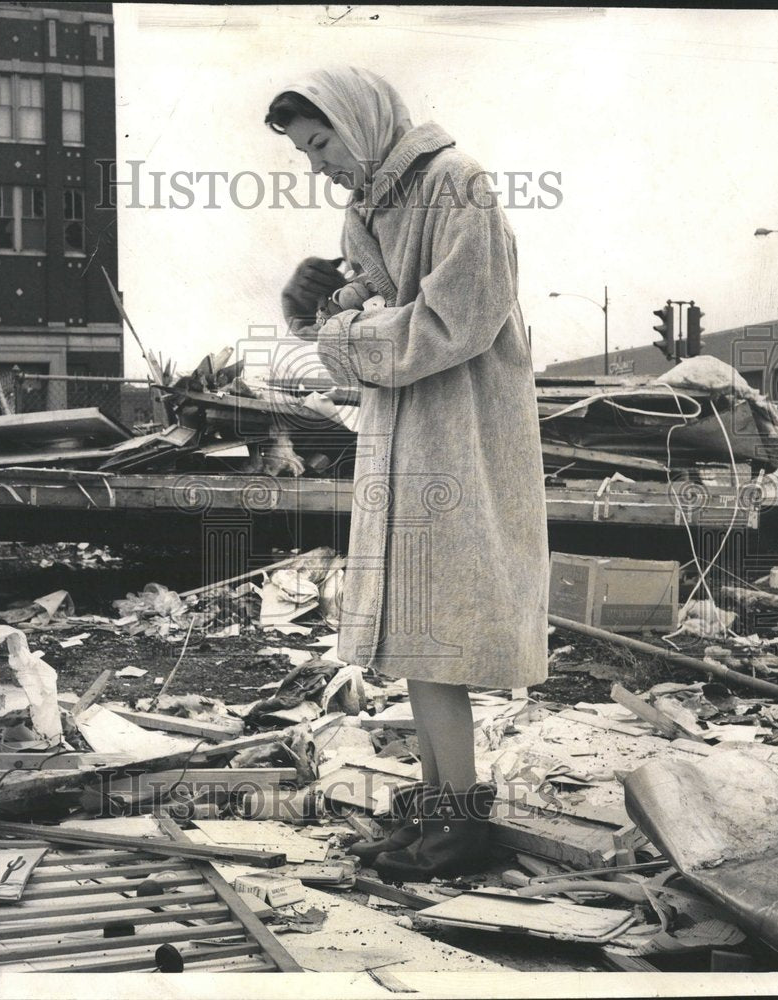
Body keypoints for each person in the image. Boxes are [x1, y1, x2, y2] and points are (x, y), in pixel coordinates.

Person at [266, 67, 548, 879]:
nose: (318, 164)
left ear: (360, 122)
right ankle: (438, 814)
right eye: (303, 152)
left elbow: (453, 320)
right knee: (421, 641)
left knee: (440, 643)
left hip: (461, 438)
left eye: (321, 143)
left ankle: (457, 829)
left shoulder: (456, 186)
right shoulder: (369, 209)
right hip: (404, 440)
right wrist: (311, 303)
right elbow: (365, 321)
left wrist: (343, 329)